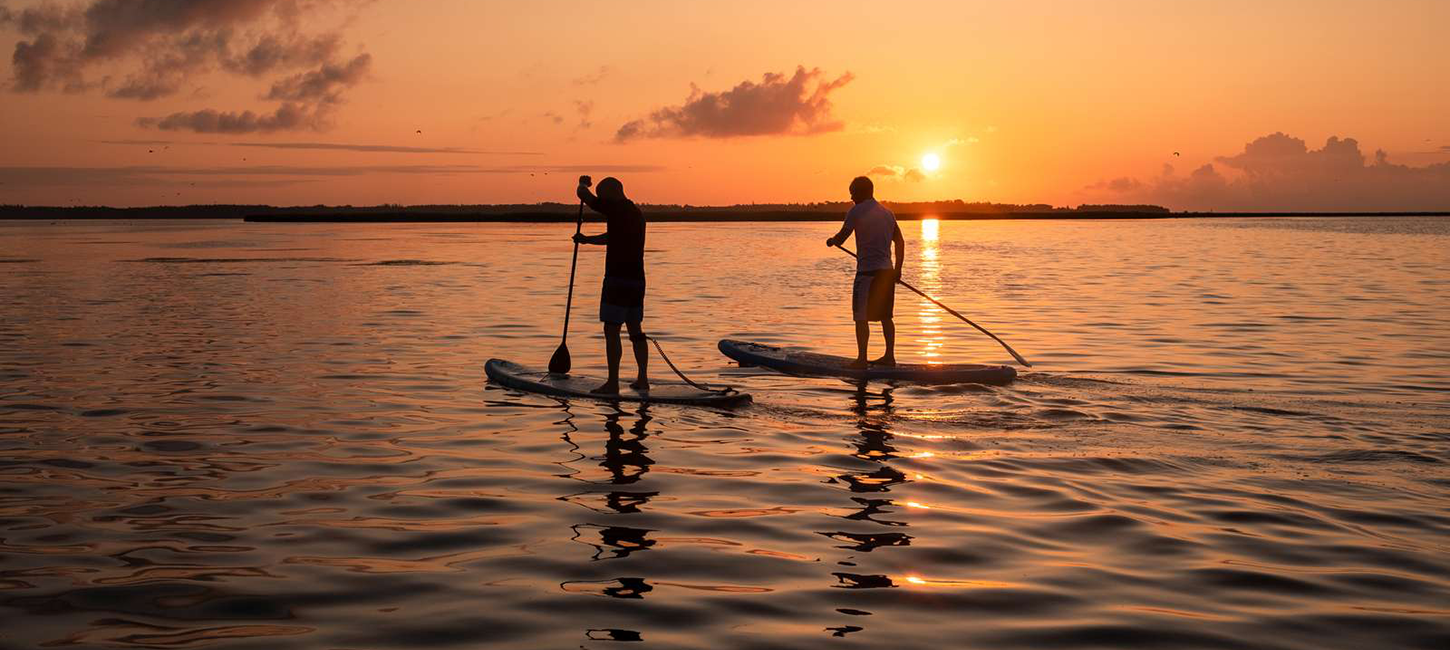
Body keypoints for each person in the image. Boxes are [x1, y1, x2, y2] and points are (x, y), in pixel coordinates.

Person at [573, 176, 649, 394]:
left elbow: (583, 196)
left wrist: (583, 184)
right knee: (636, 331)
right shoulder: (636, 213)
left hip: (617, 280)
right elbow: (613, 237)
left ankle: (613, 383)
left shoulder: (615, 207)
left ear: (611, 193)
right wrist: (587, 240)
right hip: (637, 281)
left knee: (611, 330)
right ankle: (642, 380)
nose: (601, 200)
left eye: (603, 195)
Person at [825, 176, 904, 368]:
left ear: (861, 192)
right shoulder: (887, 213)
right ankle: (889, 357)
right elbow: (900, 242)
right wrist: (898, 270)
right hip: (886, 272)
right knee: (886, 316)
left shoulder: (855, 211)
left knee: (860, 316)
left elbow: (842, 237)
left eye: (852, 193)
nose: (851, 197)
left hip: (867, 273)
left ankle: (861, 359)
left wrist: (832, 240)